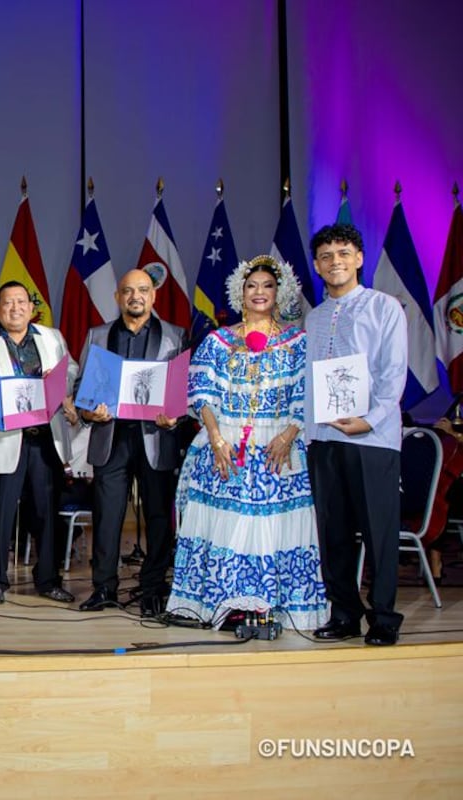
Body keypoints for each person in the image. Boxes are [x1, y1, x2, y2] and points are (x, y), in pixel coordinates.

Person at [166, 256, 329, 630]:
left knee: (276, 529)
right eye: (251, 285)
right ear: (240, 292)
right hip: (224, 448)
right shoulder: (219, 340)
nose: (259, 292)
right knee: (225, 526)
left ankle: (277, 608)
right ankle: (224, 605)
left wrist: (288, 435)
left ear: (280, 292)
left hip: (280, 447)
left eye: (267, 286)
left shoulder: (297, 341)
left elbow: (306, 393)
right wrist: (217, 437)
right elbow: (202, 393)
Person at [305, 223, 407, 646]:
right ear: (317, 265)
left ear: (359, 259)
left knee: (379, 532)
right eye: (327, 256)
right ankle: (344, 613)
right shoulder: (313, 316)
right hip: (324, 439)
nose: (336, 262)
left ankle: (383, 618)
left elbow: (393, 372)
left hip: (371, 438)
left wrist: (371, 418)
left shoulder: (385, 308)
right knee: (334, 534)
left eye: (344, 253)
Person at [0, 280, 78, 605]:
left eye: (21, 302)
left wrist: (62, 382)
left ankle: (48, 579)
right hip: (0, 439)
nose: (15, 308)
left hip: (44, 441)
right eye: (8, 303)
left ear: (30, 307)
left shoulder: (51, 337)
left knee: (46, 514)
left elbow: (72, 370)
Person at [76, 269, 186, 616]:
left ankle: (153, 588)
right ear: (117, 297)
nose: (134, 296)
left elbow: (182, 390)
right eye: (127, 291)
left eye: (142, 290)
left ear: (153, 295)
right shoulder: (98, 335)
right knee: (107, 517)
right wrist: (90, 412)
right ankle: (103, 588)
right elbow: (82, 388)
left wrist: (176, 416)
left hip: (156, 436)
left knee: (157, 517)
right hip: (112, 437)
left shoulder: (174, 335)